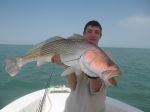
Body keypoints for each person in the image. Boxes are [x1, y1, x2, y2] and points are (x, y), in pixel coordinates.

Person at [51, 20, 106, 112]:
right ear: (83, 34)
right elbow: (73, 86)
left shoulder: (106, 58)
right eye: (89, 31)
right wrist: (66, 64)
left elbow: (96, 89)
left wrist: (92, 71)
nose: (93, 34)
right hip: (72, 108)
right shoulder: (74, 54)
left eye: (97, 32)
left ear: (100, 36)